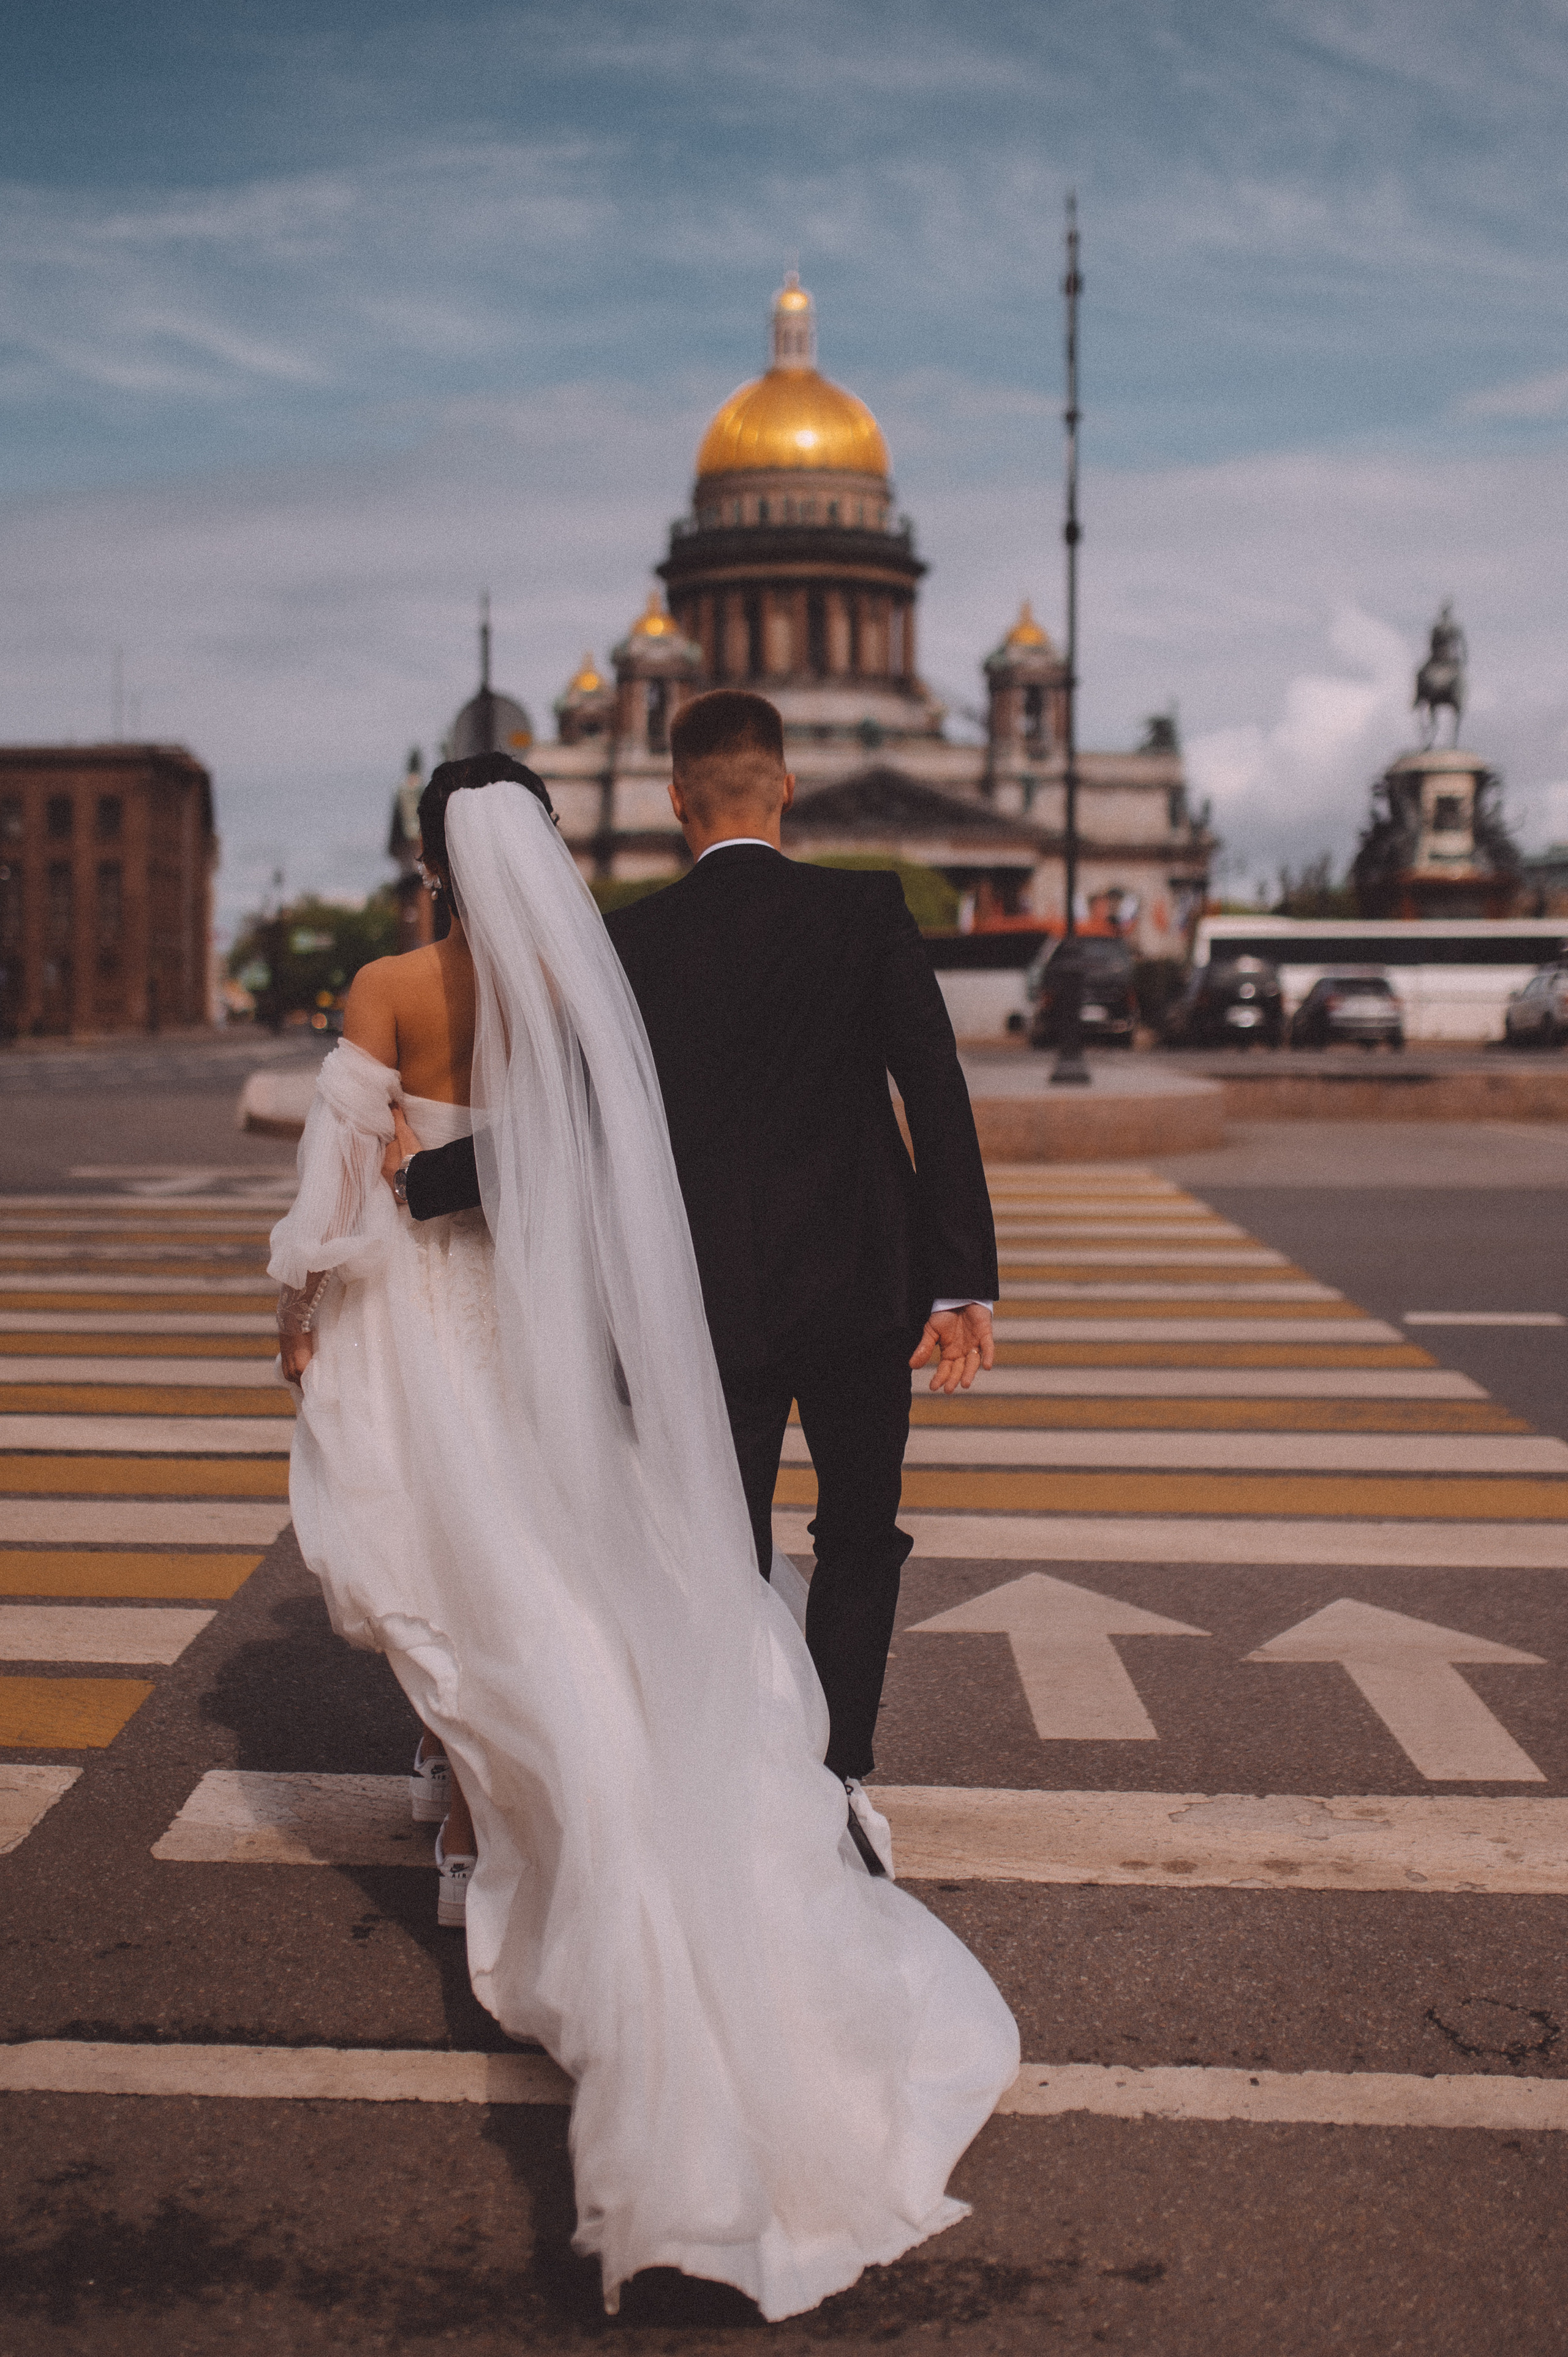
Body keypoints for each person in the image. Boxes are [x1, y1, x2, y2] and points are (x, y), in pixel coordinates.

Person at [271, 752, 1019, 2323]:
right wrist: (956, 1271)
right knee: (686, 1552)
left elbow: (343, 1186)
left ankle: (469, 1818)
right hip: (672, 1304)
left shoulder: (445, 976)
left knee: (448, 1564)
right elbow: (651, 1135)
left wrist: (334, 1269)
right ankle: (810, 1774)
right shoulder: (594, 971)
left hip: (499, 1306)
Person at [396, 693, 997, 1850]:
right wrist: (959, 1278)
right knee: (860, 1536)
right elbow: (937, 1092)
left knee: (721, 1549)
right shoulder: (866, 910)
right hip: (864, 1289)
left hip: (706, 1302)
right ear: (786, 788)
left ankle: (738, 1768)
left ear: (676, 800)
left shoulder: (633, 942)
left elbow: (572, 1123)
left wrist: (423, 1181)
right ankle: (842, 1782)